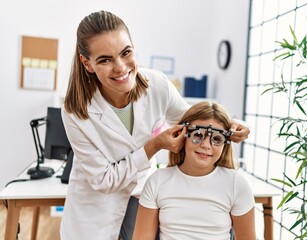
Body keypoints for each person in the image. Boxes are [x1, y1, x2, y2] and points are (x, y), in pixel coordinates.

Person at [60, 10, 250, 240]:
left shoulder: (156, 84)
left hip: (140, 195)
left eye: (125, 52)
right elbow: (104, 180)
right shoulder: (76, 111)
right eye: (105, 60)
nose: (120, 67)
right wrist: (155, 145)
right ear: (87, 63)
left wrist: (230, 126)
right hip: (96, 208)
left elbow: (191, 120)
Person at [133, 101, 256, 240]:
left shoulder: (236, 184)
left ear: (225, 143)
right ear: (182, 135)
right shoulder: (157, 180)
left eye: (216, 138)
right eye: (198, 135)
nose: (205, 145)